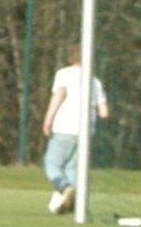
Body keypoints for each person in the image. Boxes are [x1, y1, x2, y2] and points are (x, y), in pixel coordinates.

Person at [42, 43, 109, 215]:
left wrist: (48, 120)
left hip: (65, 127)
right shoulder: (95, 81)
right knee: (73, 168)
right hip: (86, 132)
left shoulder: (64, 74)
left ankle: (65, 189)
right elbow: (104, 112)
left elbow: (59, 96)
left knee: (52, 164)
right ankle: (77, 204)